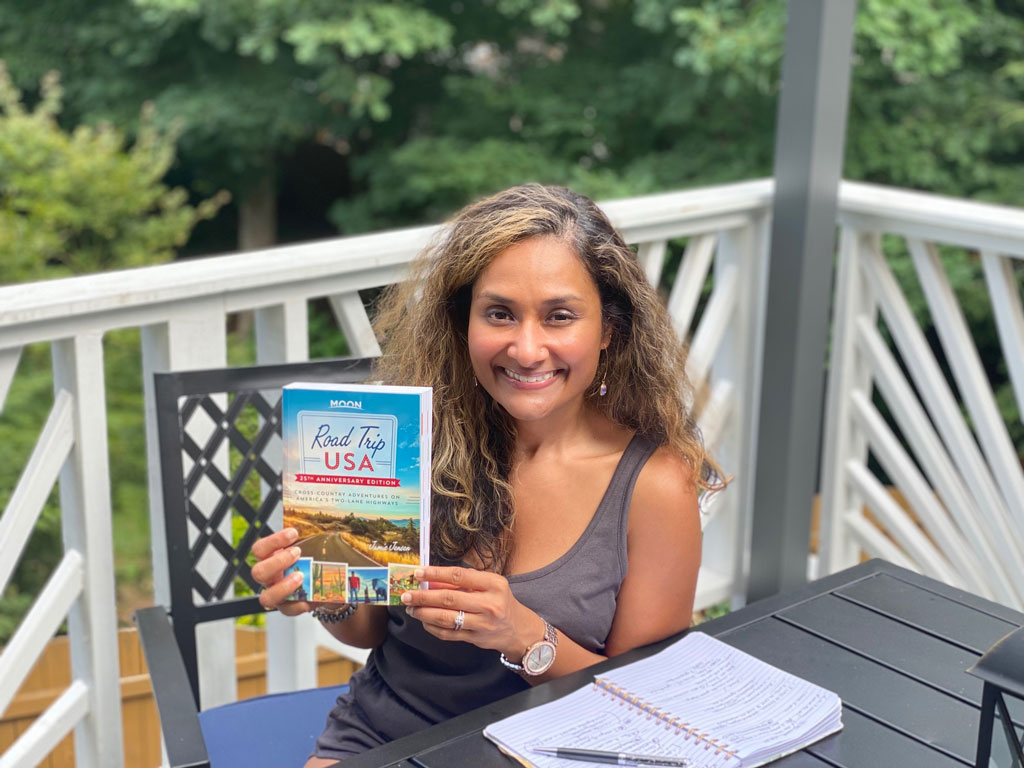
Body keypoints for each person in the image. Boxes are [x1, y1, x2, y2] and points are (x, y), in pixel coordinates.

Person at [251, 184, 721, 766]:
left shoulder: (655, 484)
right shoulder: (407, 443)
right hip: (385, 737)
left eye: (560, 316)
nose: (526, 349)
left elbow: (645, 705)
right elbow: (368, 632)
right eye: (500, 314)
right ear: (462, 323)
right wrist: (326, 591)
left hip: (552, 751)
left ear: (608, 329)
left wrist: (525, 636)